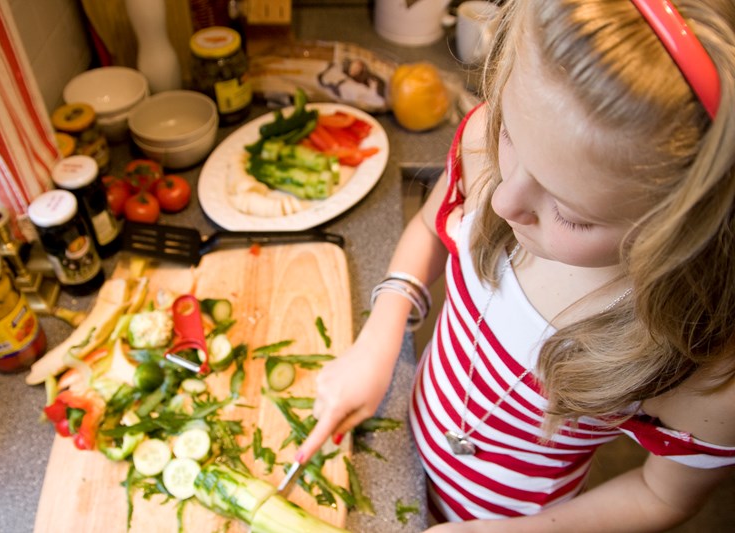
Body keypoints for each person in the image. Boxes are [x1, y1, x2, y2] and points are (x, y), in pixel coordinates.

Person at [297, 0, 735, 530]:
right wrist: (380, 337)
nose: (502, 203)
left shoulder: (702, 356)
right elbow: (428, 228)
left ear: (678, 227)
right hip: (405, 445)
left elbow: (660, 496)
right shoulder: (489, 142)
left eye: (570, 215)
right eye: (509, 134)